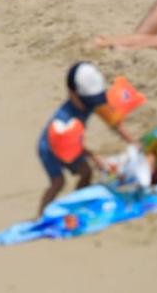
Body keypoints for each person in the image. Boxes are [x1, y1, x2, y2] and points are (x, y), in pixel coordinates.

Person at [36, 62, 133, 216]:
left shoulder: (88, 102)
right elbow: (72, 144)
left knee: (86, 172)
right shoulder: (65, 119)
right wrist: (94, 157)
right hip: (50, 147)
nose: (90, 106)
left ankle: (77, 205)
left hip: (72, 143)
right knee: (58, 182)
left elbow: (114, 122)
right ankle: (40, 216)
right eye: (88, 102)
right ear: (71, 94)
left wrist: (133, 142)